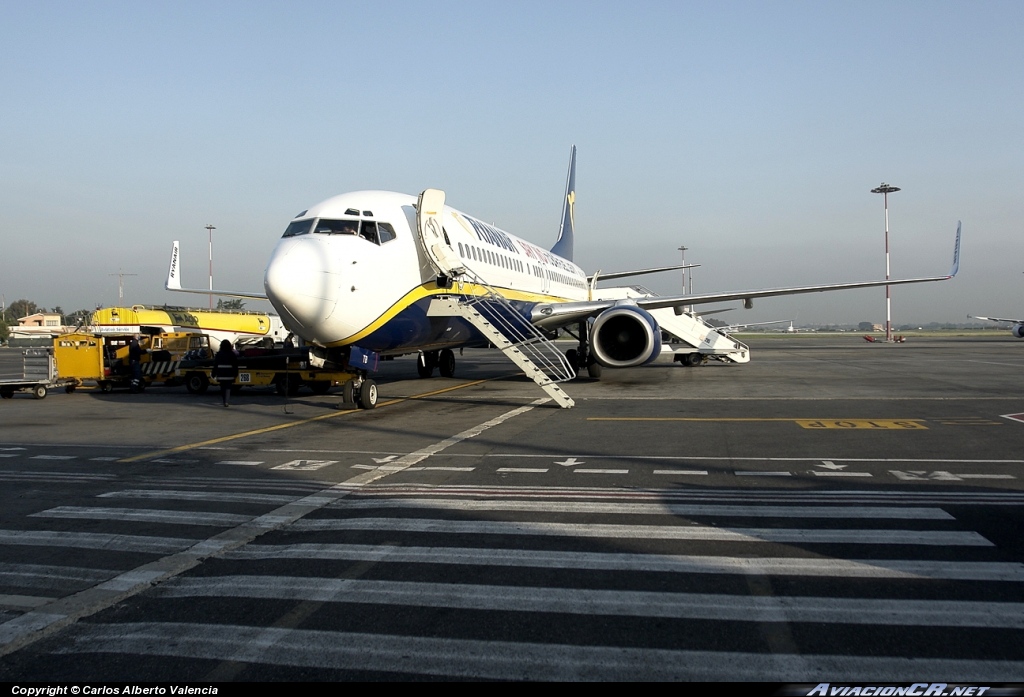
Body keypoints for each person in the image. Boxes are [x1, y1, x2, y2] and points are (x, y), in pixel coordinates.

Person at [213, 339, 239, 407]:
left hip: (221, 374)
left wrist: (213, 373)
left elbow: (215, 364)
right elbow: (235, 365)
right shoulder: (232, 354)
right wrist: (236, 374)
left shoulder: (219, 354)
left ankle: (224, 400)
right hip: (229, 374)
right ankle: (226, 401)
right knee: (228, 388)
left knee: (222, 388)